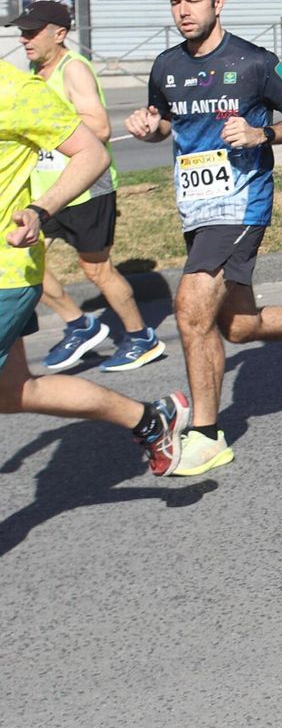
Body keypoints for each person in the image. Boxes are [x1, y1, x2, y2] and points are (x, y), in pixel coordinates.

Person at [125, 0, 282, 476]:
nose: (183, 12)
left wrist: (262, 134)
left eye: (193, 1)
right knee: (237, 325)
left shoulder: (254, 62)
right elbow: (166, 125)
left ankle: (206, 434)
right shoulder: (165, 66)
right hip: (196, 206)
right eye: (175, 3)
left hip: (243, 201)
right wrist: (149, 127)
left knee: (190, 307)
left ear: (218, 3)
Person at [1, 59, 190, 476]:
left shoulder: (16, 90)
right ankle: (149, 418)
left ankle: (137, 338)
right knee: (14, 391)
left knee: (96, 268)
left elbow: (93, 150)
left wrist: (39, 209)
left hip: (5, 274)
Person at [8, 1, 162, 372]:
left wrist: (50, 123)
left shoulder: (72, 69)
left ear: (59, 34)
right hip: (48, 192)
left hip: (85, 190)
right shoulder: (32, 70)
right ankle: (80, 324)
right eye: (23, 31)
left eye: (33, 31)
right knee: (23, 260)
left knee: (96, 270)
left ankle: (141, 338)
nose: (24, 38)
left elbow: (101, 127)